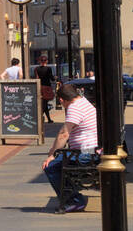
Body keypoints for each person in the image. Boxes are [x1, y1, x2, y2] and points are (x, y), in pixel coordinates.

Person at [41, 82, 99, 212]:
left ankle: (75, 200)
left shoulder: (74, 107)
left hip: (87, 152)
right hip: (92, 149)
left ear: (61, 100)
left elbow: (63, 134)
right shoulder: (83, 101)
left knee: (51, 167)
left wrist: (52, 155)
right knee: (60, 159)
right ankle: (71, 195)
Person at [34, 56, 55, 125]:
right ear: (46, 61)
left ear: (40, 61)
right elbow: (51, 78)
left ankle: (49, 119)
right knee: (44, 103)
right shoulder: (48, 69)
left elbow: (36, 78)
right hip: (47, 87)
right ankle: (39, 117)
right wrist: (55, 78)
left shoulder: (36, 69)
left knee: (44, 103)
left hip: (39, 87)